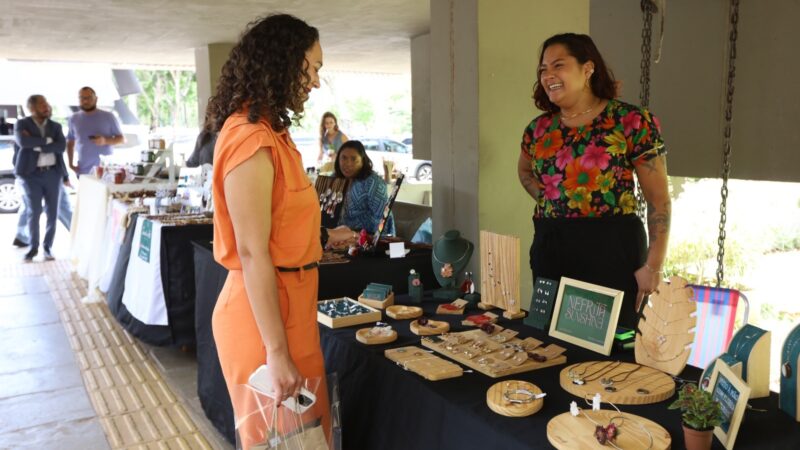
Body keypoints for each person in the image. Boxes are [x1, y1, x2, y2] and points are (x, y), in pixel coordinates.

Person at [205, 13, 352, 448]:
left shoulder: (273, 133)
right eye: (313, 68)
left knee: (305, 440)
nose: (316, 82)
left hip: (290, 309)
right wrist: (277, 352)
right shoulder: (251, 138)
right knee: (282, 442)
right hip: (265, 321)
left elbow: (276, 228)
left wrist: (323, 238)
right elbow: (251, 252)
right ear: (283, 63)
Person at [517, 33, 671, 329]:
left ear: (588, 69)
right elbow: (525, 173)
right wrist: (554, 199)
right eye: (543, 69)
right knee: (549, 342)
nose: (548, 76)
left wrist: (653, 265)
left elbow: (658, 200)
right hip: (552, 246)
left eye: (558, 65)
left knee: (611, 352)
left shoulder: (631, 121)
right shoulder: (538, 129)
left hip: (612, 249)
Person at [13, 95, 68, 262]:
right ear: (32, 108)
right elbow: (23, 143)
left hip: (53, 173)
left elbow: (61, 146)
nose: (47, 107)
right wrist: (47, 141)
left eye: (47, 103)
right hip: (30, 175)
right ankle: (33, 248)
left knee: (53, 213)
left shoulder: (56, 126)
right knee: (34, 212)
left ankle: (48, 247)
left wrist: (35, 143)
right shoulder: (22, 124)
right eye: (42, 104)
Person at [334, 140, 395, 236]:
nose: (348, 163)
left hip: (366, 240)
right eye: (344, 158)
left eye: (354, 159)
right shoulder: (335, 180)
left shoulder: (373, 182)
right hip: (338, 238)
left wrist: (375, 245)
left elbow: (384, 218)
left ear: (362, 160)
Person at [66, 86, 125, 175]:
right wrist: (70, 164)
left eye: (89, 97)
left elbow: (122, 139)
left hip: (106, 171)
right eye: (82, 98)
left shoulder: (108, 116)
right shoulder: (74, 118)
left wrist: (105, 140)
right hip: (83, 170)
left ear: (96, 99)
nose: (85, 101)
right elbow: (70, 142)